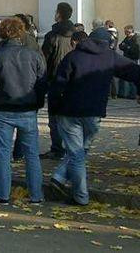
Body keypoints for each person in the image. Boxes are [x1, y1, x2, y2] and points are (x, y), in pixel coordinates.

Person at [48, 31, 140, 206]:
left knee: (77, 154)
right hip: (94, 112)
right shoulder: (110, 57)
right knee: (81, 151)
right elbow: (134, 72)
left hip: (69, 111)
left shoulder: (73, 56)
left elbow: (58, 84)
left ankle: (77, 193)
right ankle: (61, 180)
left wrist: (54, 108)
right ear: (107, 42)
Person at [0, 18, 46, 204]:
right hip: (27, 108)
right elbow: (42, 83)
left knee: (3, 154)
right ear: (21, 32)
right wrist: (37, 102)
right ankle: (36, 195)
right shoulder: (33, 55)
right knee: (32, 154)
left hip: (3, 109)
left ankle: (2, 194)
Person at [41, 2, 75, 159]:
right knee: (70, 115)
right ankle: (71, 146)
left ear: (59, 14)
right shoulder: (75, 35)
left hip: (55, 78)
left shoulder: (52, 36)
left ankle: (57, 148)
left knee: (54, 117)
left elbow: (44, 59)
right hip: (73, 79)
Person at [118, 25, 140, 99]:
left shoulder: (135, 38)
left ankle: (132, 94)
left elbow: (134, 50)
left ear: (129, 31)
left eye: (125, 31)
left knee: (133, 77)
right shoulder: (127, 38)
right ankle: (121, 93)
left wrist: (126, 47)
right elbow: (120, 46)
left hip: (132, 59)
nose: (125, 33)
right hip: (126, 59)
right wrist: (126, 47)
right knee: (122, 76)